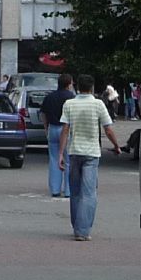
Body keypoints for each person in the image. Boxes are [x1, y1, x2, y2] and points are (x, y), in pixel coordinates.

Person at [59, 74, 125, 240]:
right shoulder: (98, 104)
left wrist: (60, 153)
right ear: (92, 87)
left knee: (75, 192)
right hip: (91, 153)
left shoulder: (69, 104)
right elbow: (108, 129)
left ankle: (77, 225)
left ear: (77, 87)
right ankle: (82, 231)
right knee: (88, 193)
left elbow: (65, 130)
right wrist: (116, 145)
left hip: (74, 152)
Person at [40, 71, 74, 200]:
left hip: (53, 128)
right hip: (66, 129)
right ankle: (68, 190)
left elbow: (43, 114)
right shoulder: (71, 97)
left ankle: (55, 189)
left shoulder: (49, 97)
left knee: (54, 159)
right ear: (69, 84)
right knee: (68, 160)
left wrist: (46, 128)